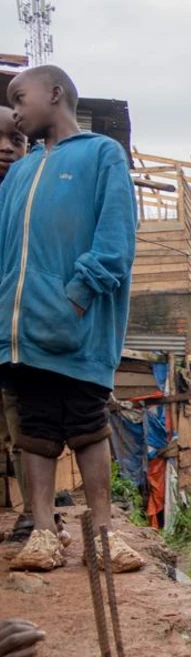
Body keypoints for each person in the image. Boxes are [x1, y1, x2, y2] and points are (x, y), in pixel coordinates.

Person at [0, 66, 138, 572]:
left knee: (85, 423)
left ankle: (102, 534)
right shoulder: (17, 172)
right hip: (19, 329)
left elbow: (116, 238)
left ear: (55, 94)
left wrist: (76, 297)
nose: (15, 110)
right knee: (33, 429)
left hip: (77, 324)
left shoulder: (102, 154)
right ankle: (41, 532)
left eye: (20, 97)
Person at [0, 107, 31, 540]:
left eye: (17, 140)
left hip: (17, 334)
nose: (7, 148)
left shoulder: (34, 197)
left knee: (24, 424)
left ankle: (34, 516)